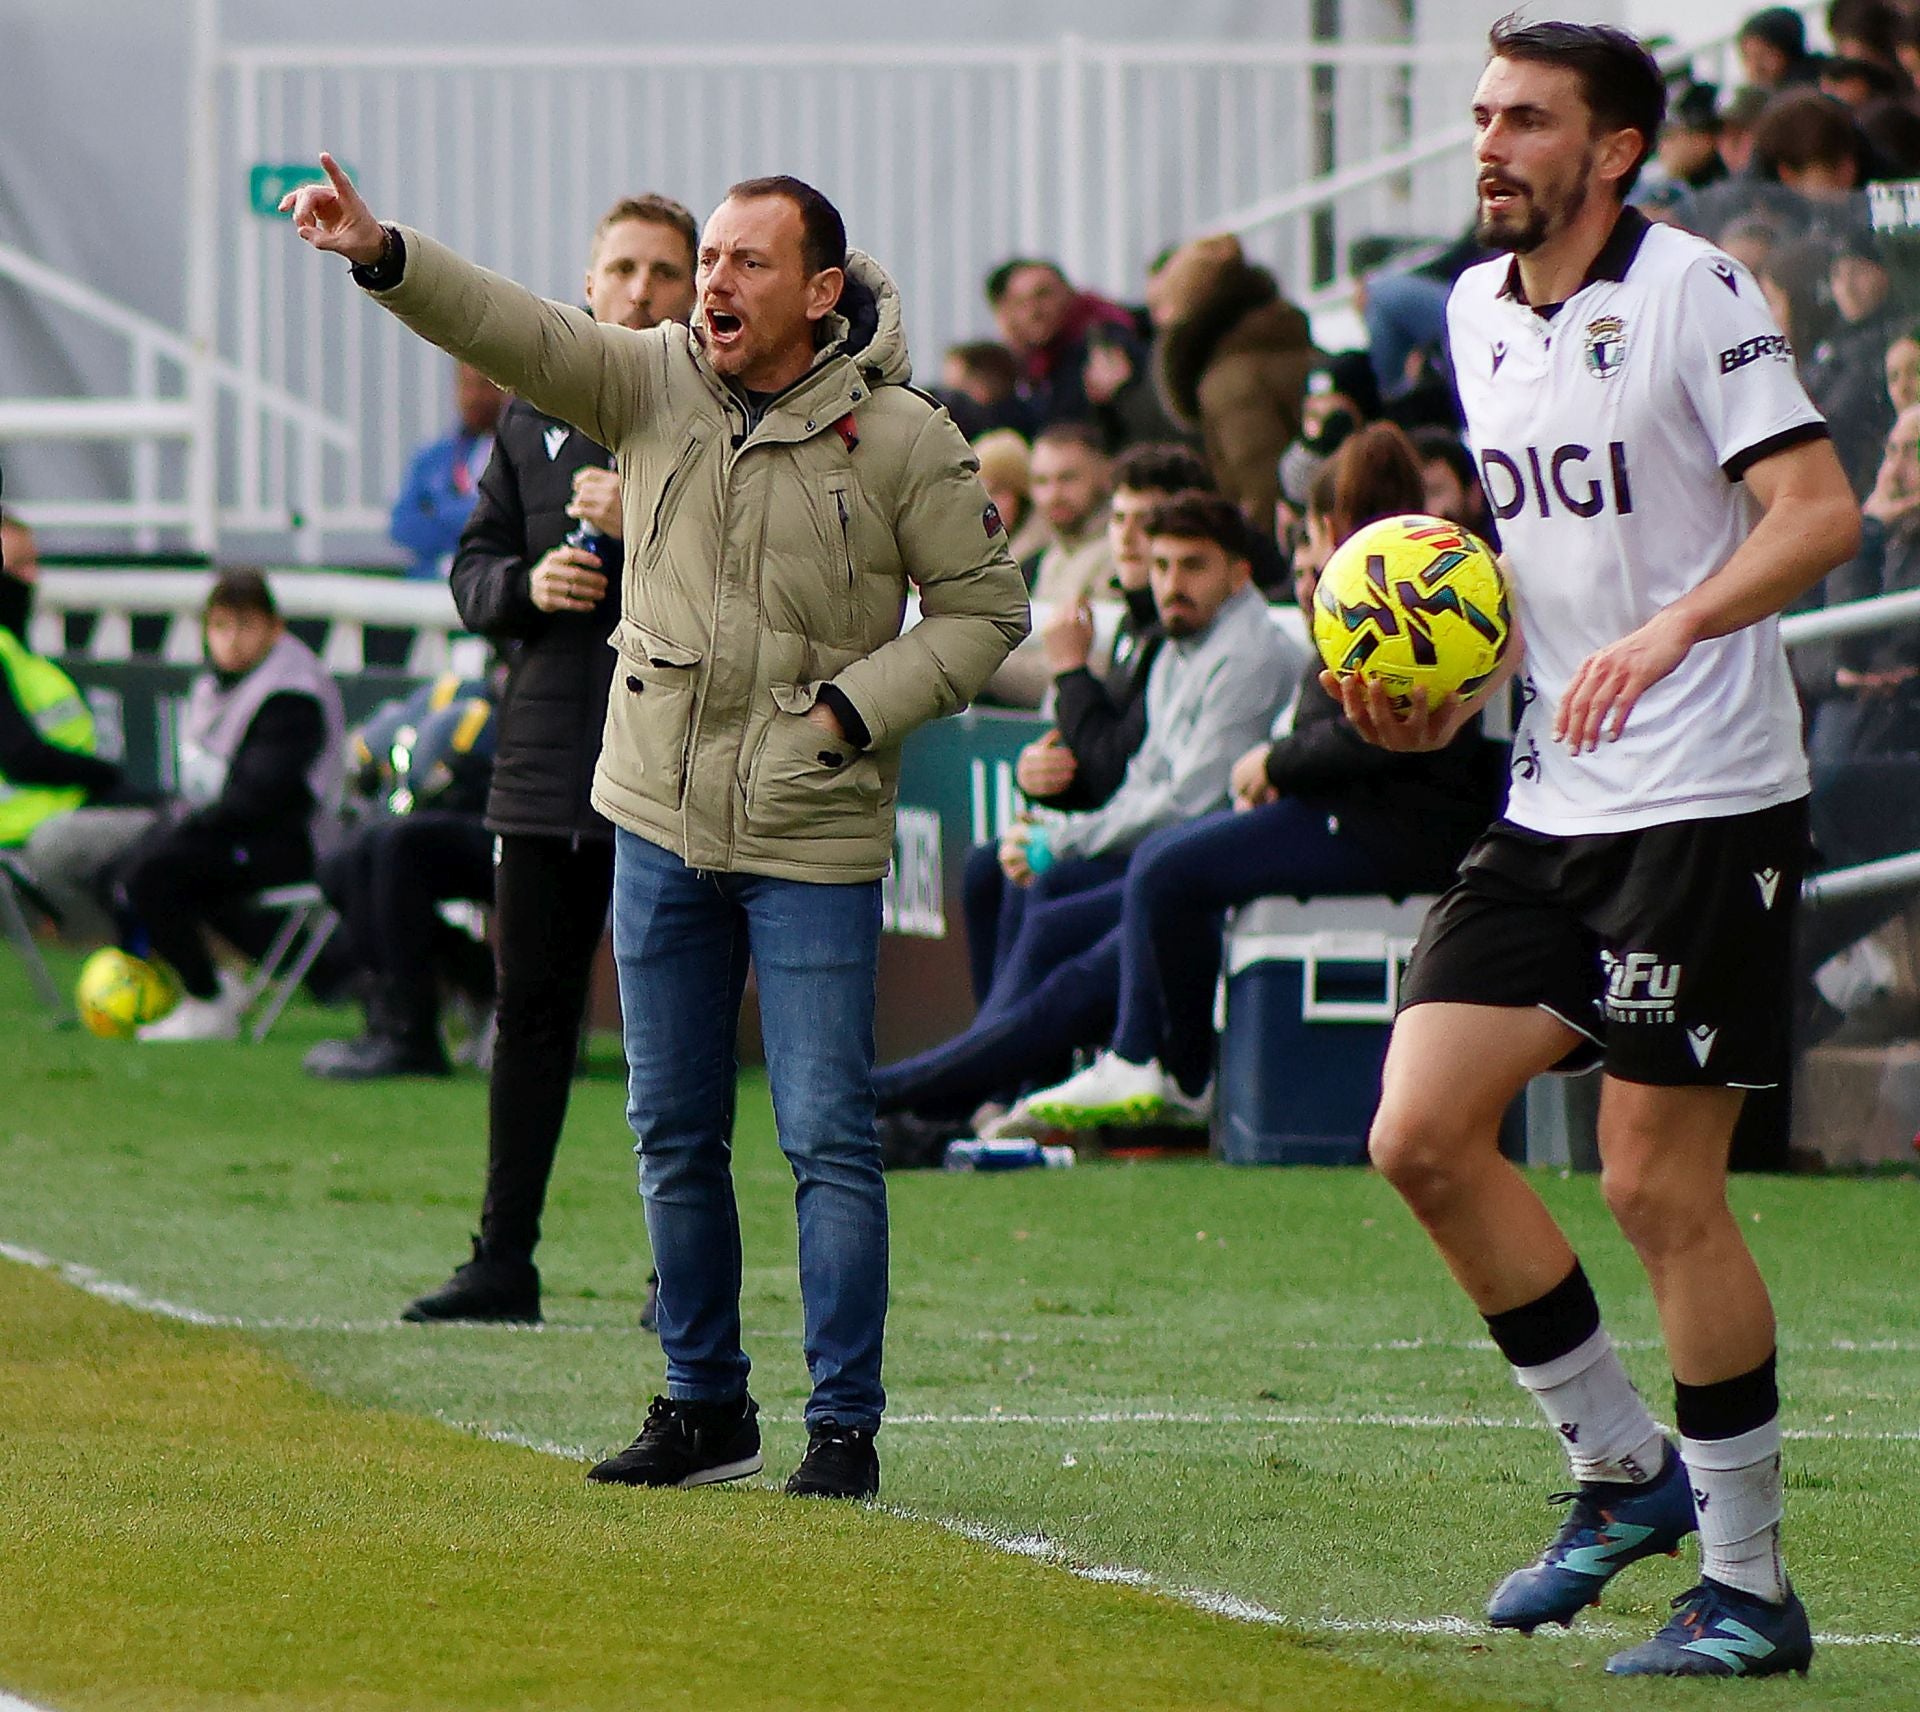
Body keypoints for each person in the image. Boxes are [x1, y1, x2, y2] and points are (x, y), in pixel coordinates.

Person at [283, 159, 1027, 1499]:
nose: (711, 286)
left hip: (811, 834)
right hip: (655, 821)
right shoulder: (649, 380)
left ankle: (843, 1431)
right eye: (707, 263)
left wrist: (854, 714)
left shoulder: (909, 436)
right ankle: (703, 1409)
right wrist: (383, 253)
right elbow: (512, 325)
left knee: (824, 1139)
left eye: (745, 264)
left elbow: (987, 615)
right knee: (673, 1130)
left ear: (821, 290)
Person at [1339, 21, 1858, 1678]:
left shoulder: (1697, 291)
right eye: (1483, 114)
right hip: (1555, 796)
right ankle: (1622, 1471)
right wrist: (1455, 681)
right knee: (1420, 1130)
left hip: (1704, 795)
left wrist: (1678, 629)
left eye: (1528, 120)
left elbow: (1820, 511)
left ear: (1618, 146)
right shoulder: (1480, 315)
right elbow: (1546, 558)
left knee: (1653, 1181)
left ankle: (1753, 1584)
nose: (1489, 143)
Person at [1013, 426, 1505, 1132]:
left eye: (1308, 534)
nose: (1304, 556)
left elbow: (1379, 724)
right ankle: (1142, 1064)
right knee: (1154, 870)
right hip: (1365, 809)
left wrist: (1276, 761)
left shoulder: (1391, 584)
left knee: (1169, 868)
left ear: (1330, 524)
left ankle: (1171, 1070)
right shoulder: (1403, 575)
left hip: (1382, 824)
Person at [399, 191, 700, 1325]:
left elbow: (743, 589)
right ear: (587, 286)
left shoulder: (709, 419)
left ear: (695, 292)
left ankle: (683, 1277)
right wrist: (524, 588)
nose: (641, 290)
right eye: (622, 268)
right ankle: (501, 1259)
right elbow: (472, 566)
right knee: (528, 1014)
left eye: (665, 272)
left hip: (668, 766)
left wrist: (640, 536)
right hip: (540, 767)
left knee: (673, 1029)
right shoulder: (530, 419)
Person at [873, 491, 1297, 1128]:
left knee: (1050, 911)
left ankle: (945, 1094)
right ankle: (982, 1092)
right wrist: (1061, 830)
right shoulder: (1182, 642)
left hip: (1200, 878)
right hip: (1164, 862)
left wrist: (1065, 839)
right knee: (1021, 882)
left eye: (1192, 566)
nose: (1171, 584)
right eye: (1161, 567)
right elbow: (1145, 779)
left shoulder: (1250, 654)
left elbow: (1188, 803)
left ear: (1238, 573)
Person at [114, 569, 346, 1040]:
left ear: (274, 628)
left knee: (152, 875)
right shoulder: (217, 683)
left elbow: (262, 798)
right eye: (220, 627)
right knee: (127, 866)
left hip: (287, 841)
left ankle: (207, 1002)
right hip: (231, 832)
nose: (232, 641)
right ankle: (217, 984)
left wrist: (187, 830)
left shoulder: (291, 694)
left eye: (246, 626)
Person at [302, 676, 500, 1081]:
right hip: (509, 801)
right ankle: (397, 1014)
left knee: (399, 844)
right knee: (348, 861)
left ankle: (413, 1036)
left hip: (553, 822)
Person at [1147, 232, 1318, 537]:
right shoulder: (1280, 341)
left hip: (1285, 542)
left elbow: (1261, 485)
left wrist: (1255, 551)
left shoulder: (1230, 381)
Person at [0, 510, 121, 855]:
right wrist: (101, 774)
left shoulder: (15, 650)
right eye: (19, 565)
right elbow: (20, 756)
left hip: (58, 816)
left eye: (34, 563)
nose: (33, 577)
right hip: (32, 833)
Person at [984, 422, 1116, 707]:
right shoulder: (1052, 556)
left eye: (1067, 478)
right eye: (1042, 482)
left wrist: (973, 664)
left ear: (1105, 476)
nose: (1053, 494)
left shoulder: (1119, 555)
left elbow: (1089, 667)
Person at [389, 363, 504, 579]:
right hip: (428, 587)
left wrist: (438, 511)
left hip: (489, 587)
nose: (473, 397)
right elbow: (402, 525)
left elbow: (505, 524)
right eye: (466, 386)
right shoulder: (432, 458)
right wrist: (471, 519)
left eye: (483, 386)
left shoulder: (521, 454)